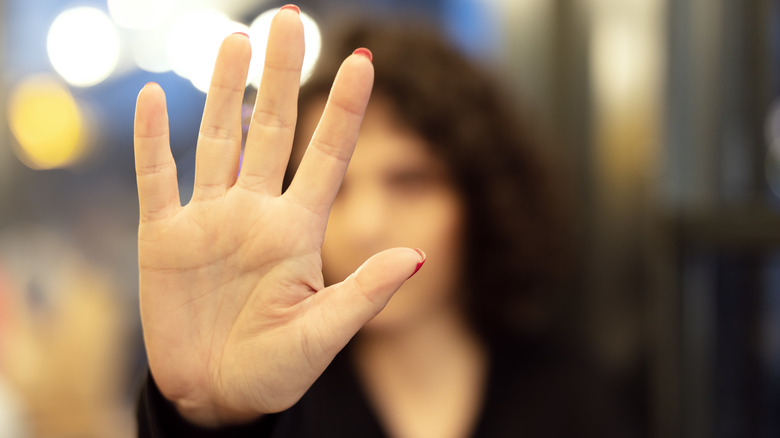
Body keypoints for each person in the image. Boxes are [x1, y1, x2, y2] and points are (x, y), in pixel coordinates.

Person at [135, 5, 632, 437]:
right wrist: (211, 419)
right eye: (336, 189)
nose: (366, 225)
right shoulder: (279, 397)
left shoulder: (569, 396)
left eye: (410, 180)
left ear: (482, 197)